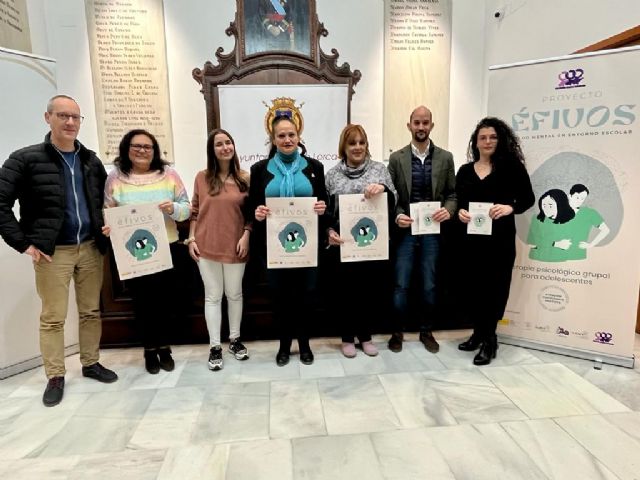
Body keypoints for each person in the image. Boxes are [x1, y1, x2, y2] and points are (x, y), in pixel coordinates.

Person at [0, 94, 117, 407]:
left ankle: (91, 362)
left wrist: (107, 223)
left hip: (91, 248)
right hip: (53, 253)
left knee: (91, 311)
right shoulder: (25, 159)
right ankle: (55, 375)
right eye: (63, 116)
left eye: (75, 117)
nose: (70, 122)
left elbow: (103, 202)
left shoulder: (91, 160)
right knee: (53, 317)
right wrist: (23, 243)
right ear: (48, 117)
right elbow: (1, 203)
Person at [104, 129, 190, 374]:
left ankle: (165, 347)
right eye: (136, 146)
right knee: (142, 303)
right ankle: (149, 349)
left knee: (165, 301)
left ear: (154, 150)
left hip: (167, 248)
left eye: (147, 146)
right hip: (133, 254)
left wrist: (173, 209)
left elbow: (186, 208)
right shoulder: (115, 178)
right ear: (126, 149)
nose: (142, 150)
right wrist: (109, 226)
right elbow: (107, 210)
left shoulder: (169, 175)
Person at [250, 114, 328, 366]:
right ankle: (284, 345)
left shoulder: (315, 167)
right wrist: (257, 213)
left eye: (291, 135)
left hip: (308, 247)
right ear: (273, 139)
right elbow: (252, 205)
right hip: (274, 248)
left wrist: (322, 208)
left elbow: (324, 202)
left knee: (306, 296)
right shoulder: (259, 170)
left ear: (298, 136)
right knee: (281, 298)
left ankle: (304, 344)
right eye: (281, 135)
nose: (287, 139)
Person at [456, 117, 535, 365]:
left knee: (495, 289)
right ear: (476, 142)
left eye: (493, 137)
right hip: (471, 242)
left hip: (499, 242)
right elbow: (459, 202)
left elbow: (528, 199)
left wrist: (510, 208)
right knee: (473, 288)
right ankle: (478, 332)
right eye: (483, 137)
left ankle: (490, 339)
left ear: (500, 140)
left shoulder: (511, 168)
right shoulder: (465, 171)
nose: (488, 141)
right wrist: (460, 212)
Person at [387, 105, 456, 354]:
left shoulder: (446, 157)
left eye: (425, 122)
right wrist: (397, 215)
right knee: (401, 284)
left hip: (432, 231)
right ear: (409, 125)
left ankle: (426, 331)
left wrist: (448, 210)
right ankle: (397, 332)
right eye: (416, 122)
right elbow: (391, 197)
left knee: (429, 284)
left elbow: (453, 193)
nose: (421, 127)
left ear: (431, 125)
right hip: (406, 231)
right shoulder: (396, 158)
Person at [325, 124, 397, 358]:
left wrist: (383, 189)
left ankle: (365, 336)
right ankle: (347, 337)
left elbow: (394, 200)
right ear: (343, 147)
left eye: (361, 142)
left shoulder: (379, 170)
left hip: (371, 244)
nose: (357, 147)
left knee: (368, 291)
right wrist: (329, 231)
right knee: (345, 292)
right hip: (344, 244)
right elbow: (326, 211)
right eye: (352, 143)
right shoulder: (332, 175)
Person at [187, 129, 251, 371]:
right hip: (206, 246)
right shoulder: (202, 178)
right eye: (219, 144)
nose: (225, 147)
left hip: (237, 245)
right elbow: (195, 210)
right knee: (213, 296)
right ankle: (215, 346)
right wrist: (191, 238)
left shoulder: (245, 178)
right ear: (211, 150)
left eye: (228, 142)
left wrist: (246, 235)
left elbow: (251, 213)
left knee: (234, 294)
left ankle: (235, 340)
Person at [527, 189, 575, 262]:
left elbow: (568, 245)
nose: (546, 209)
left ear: (560, 204)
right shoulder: (537, 219)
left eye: (550, 205)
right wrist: (555, 244)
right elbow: (531, 243)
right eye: (544, 205)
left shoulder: (569, 221)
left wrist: (542, 243)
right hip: (537, 260)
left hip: (560, 261)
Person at [565, 183, 610, 260]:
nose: (579, 201)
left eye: (582, 199)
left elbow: (605, 230)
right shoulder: (557, 211)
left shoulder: (589, 213)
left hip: (577, 255)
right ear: (570, 196)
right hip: (556, 255)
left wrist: (591, 245)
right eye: (577, 197)